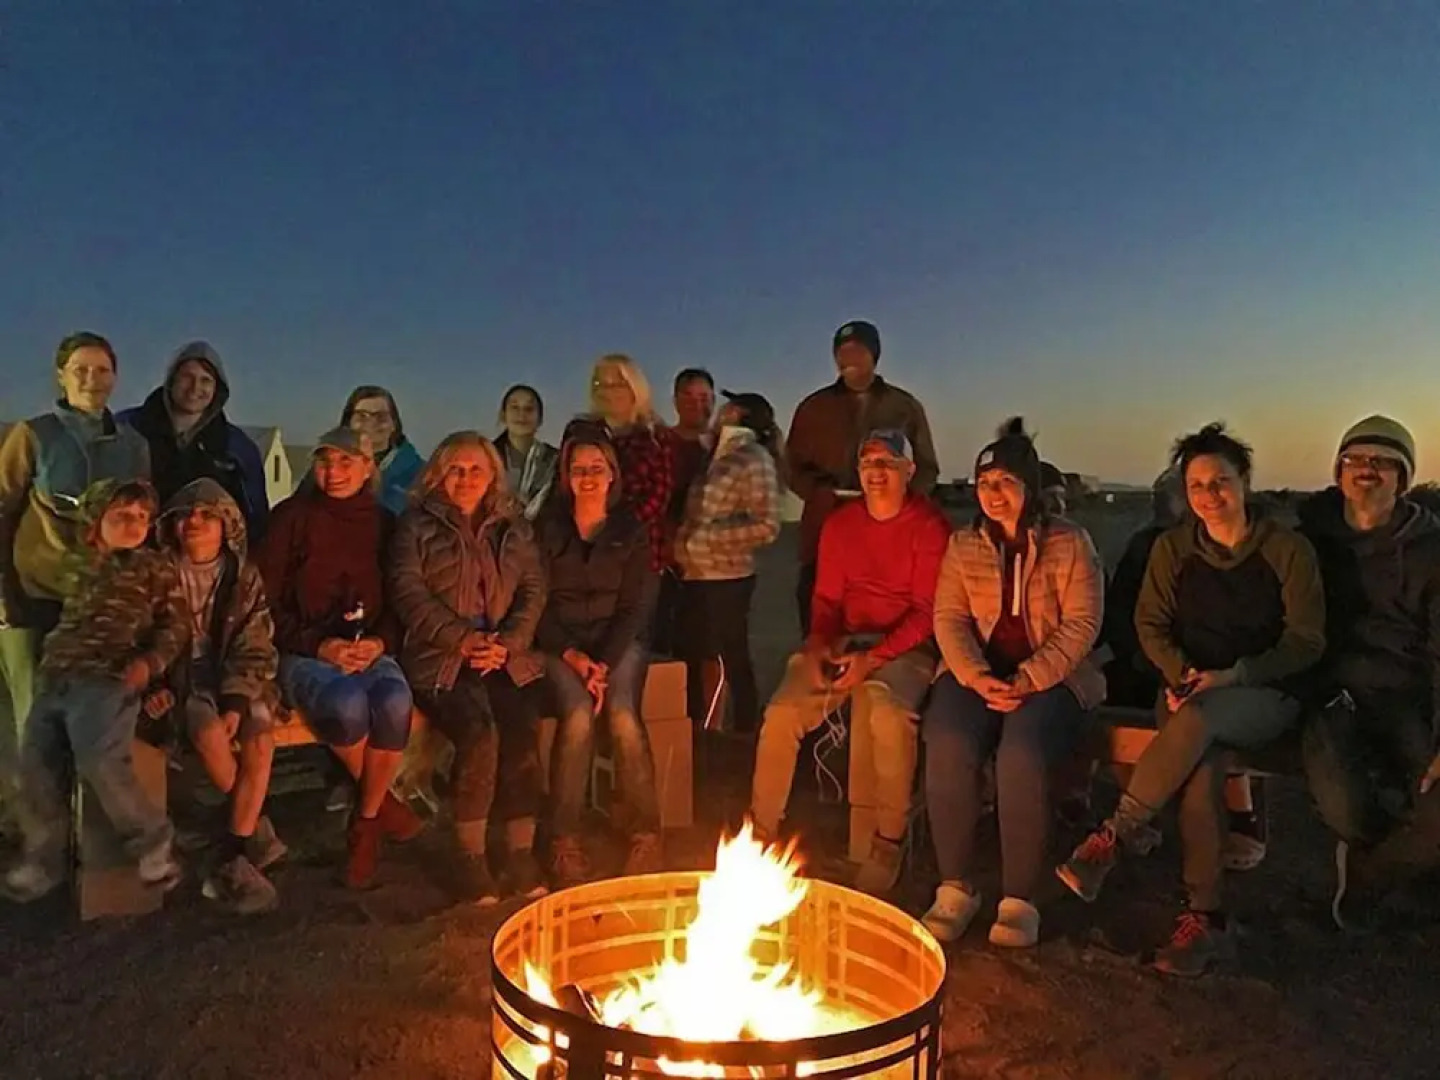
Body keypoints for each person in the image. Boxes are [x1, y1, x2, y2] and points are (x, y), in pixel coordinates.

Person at [1057, 423, 1325, 977]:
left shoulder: (1286, 550)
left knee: (1200, 722)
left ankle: (1113, 835)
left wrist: (1232, 675)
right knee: (1201, 774)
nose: (1208, 494)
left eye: (1220, 481)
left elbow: (1306, 640)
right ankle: (1204, 921)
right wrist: (1182, 675)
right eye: (1197, 484)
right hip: (1188, 690)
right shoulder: (1173, 549)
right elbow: (1149, 624)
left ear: (1244, 481)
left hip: (1264, 692)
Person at [920, 420, 1104, 948]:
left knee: (1021, 751)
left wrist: (1028, 677)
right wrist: (976, 675)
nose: (993, 493)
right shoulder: (964, 545)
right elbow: (949, 618)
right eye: (984, 483)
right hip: (977, 673)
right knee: (949, 738)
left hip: (1052, 677)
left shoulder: (1071, 543)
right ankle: (955, 886)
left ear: (1030, 486)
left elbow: (1082, 624)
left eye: (1006, 481)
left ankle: (1019, 897)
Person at [750, 429, 950, 895]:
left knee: (889, 715)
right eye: (868, 463)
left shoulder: (929, 526)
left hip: (904, 647)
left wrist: (874, 658)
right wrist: (820, 645)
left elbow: (928, 612)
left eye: (887, 463)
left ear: (908, 471)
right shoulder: (841, 525)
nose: (876, 472)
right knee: (782, 712)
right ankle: (760, 831)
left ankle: (887, 840)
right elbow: (826, 599)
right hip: (845, 641)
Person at [3, 479, 186, 901]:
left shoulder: (153, 568)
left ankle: (153, 845)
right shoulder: (74, 565)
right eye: (121, 516)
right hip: (57, 675)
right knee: (36, 764)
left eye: (142, 517)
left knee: (101, 759)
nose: (134, 524)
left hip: (108, 676)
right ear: (95, 521)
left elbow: (175, 625)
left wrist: (149, 664)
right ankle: (43, 859)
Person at [256, 428, 422, 889]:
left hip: (367, 644)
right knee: (346, 704)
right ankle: (382, 808)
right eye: (325, 462)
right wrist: (319, 645)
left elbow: (399, 598)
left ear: (368, 468)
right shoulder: (291, 518)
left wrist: (381, 643)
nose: (334, 472)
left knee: (393, 701)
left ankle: (365, 822)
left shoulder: (384, 523)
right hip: (303, 649)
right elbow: (264, 603)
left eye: (346, 462)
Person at [389, 431, 550, 905]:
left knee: (521, 729)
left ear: (492, 475)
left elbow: (533, 588)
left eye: (476, 469)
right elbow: (408, 592)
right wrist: (463, 639)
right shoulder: (416, 525)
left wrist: (509, 642)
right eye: (455, 470)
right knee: (479, 733)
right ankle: (470, 856)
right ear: (438, 475)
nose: (466, 478)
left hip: (503, 654)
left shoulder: (512, 527)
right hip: (441, 658)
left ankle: (520, 852)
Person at [0, 332, 150, 833]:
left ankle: (89, 846)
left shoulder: (132, 446)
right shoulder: (34, 435)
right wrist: (5, 596)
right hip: (35, 599)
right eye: (80, 369)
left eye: (102, 369)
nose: (91, 379)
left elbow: (140, 525)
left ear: (115, 377)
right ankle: (42, 837)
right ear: (61, 375)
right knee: (37, 728)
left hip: (102, 606)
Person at [1296, 416, 1440, 929]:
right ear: (1338, 472)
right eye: (1355, 459)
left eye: (1383, 462)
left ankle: (1370, 876)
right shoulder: (1309, 537)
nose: (1366, 470)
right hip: (1331, 693)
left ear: (1403, 478)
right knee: (1349, 810)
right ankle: (1406, 873)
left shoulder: (1430, 550)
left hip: (1407, 693)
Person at [1105, 467, 1269, 872]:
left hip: (1215, 664)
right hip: (1154, 659)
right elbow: (1123, 612)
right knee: (1114, 694)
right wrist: (1149, 658)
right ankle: (1137, 810)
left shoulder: (1244, 545)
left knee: (1216, 706)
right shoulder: (1146, 546)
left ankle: (1241, 810)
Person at [147, 479, 284, 914]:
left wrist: (237, 700)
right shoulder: (157, 573)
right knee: (208, 733)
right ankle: (255, 831)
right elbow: (139, 636)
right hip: (183, 678)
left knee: (260, 739)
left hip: (235, 675)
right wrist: (155, 683)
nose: (195, 522)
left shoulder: (242, 577)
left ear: (226, 526)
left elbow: (254, 642)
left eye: (207, 515)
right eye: (186, 515)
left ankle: (234, 851)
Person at [535, 427, 661, 887]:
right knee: (578, 716)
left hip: (616, 640)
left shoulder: (630, 531)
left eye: (596, 468)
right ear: (566, 477)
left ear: (612, 475)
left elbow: (635, 607)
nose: (587, 477)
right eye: (578, 469)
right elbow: (536, 603)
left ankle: (647, 833)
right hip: (561, 642)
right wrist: (573, 656)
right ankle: (563, 839)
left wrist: (603, 664)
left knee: (623, 716)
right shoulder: (547, 530)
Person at [786, 321, 939, 635]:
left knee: (887, 620)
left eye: (857, 351)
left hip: (889, 534)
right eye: (842, 352)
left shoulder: (903, 406)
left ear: (874, 356)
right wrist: (819, 492)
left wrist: (900, 503)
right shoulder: (814, 408)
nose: (848, 359)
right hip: (825, 524)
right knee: (820, 617)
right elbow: (791, 466)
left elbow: (926, 467)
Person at [673, 391, 783, 734]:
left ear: (737, 412)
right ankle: (708, 729)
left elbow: (767, 525)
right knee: (702, 654)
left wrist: (702, 538)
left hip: (727, 575)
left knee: (727, 658)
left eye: (727, 405)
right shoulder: (716, 452)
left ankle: (741, 731)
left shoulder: (753, 457)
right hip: (696, 573)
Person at [117, 340, 270, 540]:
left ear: (217, 389)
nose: (195, 387)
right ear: (171, 380)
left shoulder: (237, 448)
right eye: (187, 377)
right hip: (137, 547)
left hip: (203, 552)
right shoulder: (127, 428)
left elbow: (255, 516)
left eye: (206, 380)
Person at [588, 354, 676, 574]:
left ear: (634, 387)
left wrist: (621, 526)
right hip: (590, 552)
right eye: (600, 384)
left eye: (617, 383)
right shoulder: (583, 433)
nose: (607, 391)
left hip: (641, 553)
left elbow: (660, 494)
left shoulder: (655, 436)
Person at [654, 367, 716, 655]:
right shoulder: (660, 444)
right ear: (675, 401)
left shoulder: (726, 447)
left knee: (713, 650)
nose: (696, 404)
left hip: (715, 567)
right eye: (688, 397)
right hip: (668, 564)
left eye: (704, 397)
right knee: (667, 648)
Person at [340, 386, 425, 516]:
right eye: (361, 416)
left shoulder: (423, 476)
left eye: (381, 417)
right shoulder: (326, 469)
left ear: (394, 424)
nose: (371, 423)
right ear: (348, 423)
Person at [493, 384, 559, 521]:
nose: (521, 414)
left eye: (529, 408)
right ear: (503, 415)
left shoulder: (555, 460)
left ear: (540, 418)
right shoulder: (487, 457)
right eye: (514, 407)